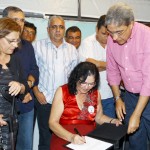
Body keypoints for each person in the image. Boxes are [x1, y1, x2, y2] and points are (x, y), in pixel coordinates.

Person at [105, 2, 150, 150]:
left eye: (119, 32)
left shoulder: (146, 36)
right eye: (111, 33)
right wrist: (118, 98)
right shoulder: (112, 39)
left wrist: (137, 114)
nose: (115, 38)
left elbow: (148, 79)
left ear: (131, 24)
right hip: (130, 96)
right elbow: (112, 71)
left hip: (148, 95)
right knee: (135, 140)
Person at [49, 62, 121, 150]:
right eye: (84, 82)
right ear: (76, 78)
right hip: (64, 137)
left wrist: (112, 121)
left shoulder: (95, 94)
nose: (87, 87)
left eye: (91, 84)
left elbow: (99, 117)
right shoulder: (62, 91)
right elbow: (52, 123)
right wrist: (71, 137)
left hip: (89, 141)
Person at [33, 16, 78, 150]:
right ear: (48, 29)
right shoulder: (37, 46)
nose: (58, 30)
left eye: (61, 27)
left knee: (64, 138)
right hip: (44, 100)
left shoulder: (71, 49)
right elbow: (31, 71)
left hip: (65, 103)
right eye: (54, 27)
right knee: (46, 138)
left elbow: (74, 77)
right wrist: (36, 92)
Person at [3, 6, 39, 150]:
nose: (19, 23)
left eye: (22, 20)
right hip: (5, 109)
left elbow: (34, 70)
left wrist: (27, 87)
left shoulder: (27, 46)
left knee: (25, 146)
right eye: (15, 19)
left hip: (25, 106)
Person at [0, 17, 29, 150]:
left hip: (10, 122)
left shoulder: (15, 59)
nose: (15, 45)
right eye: (11, 41)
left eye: (17, 41)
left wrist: (20, 86)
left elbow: (24, 85)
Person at [78, 15, 116, 118]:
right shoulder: (87, 43)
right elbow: (89, 69)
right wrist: (112, 65)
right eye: (103, 33)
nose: (106, 37)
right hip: (90, 95)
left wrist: (98, 63)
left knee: (109, 130)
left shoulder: (115, 42)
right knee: (89, 130)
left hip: (110, 95)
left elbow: (120, 66)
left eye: (109, 34)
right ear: (97, 29)